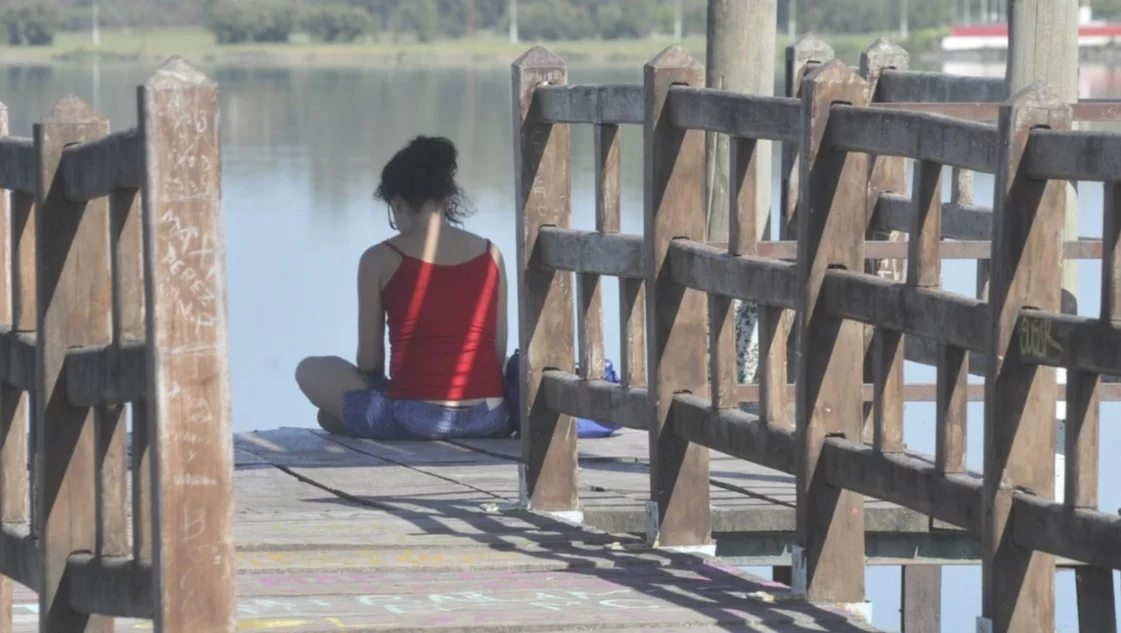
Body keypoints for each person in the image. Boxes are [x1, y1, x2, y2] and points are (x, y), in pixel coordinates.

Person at [295, 136, 512, 440]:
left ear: (396, 204)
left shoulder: (379, 259)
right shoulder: (492, 254)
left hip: (415, 420)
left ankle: (367, 422)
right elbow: (497, 352)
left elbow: (370, 363)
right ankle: (362, 420)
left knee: (309, 371)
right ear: (448, 199)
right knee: (332, 416)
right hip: (491, 418)